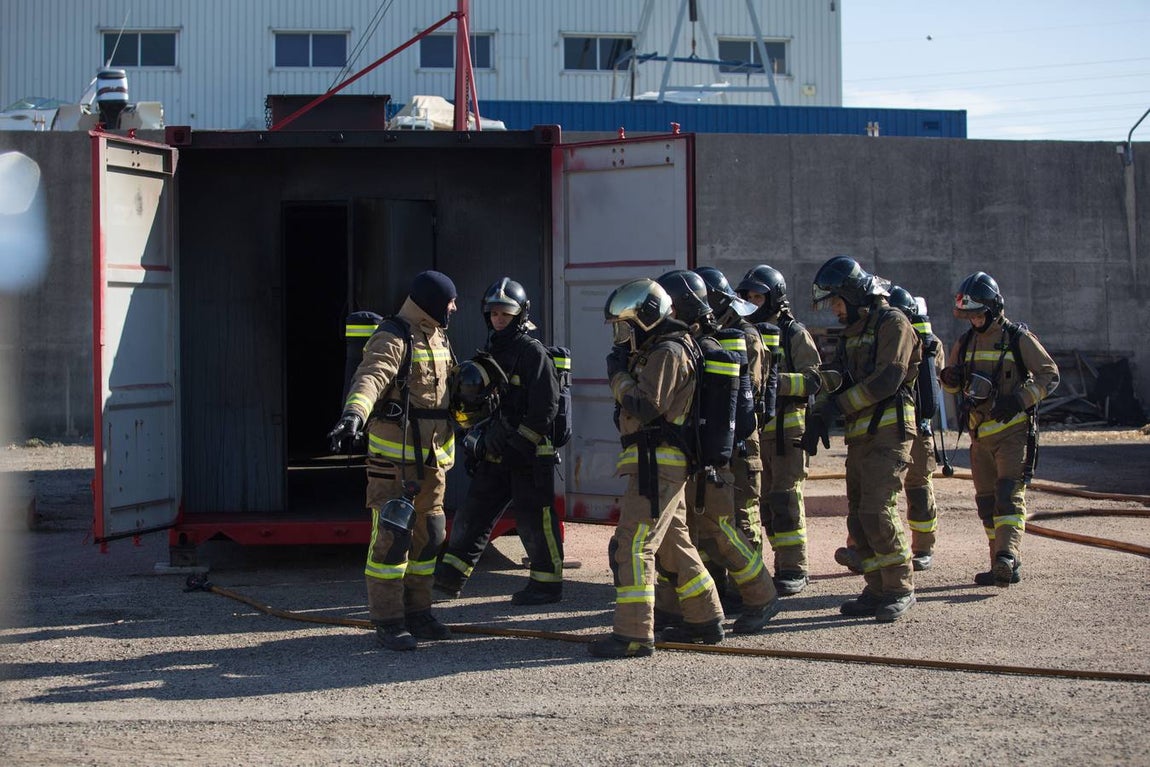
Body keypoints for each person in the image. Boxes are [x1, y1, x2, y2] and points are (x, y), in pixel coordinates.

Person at [588, 278, 725, 658]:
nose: (621, 337)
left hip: (657, 465)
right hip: (659, 463)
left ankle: (633, 634)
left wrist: (617, 375)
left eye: (625, 326)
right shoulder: (666, 348)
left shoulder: (668, 351)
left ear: (646, 319)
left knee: (633, 545)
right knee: (672, 542)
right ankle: (706, 617)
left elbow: (645, 405)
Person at [327, 270, 458, 651]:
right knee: (391, 540)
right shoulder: (393, 335)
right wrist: (354, 414)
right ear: (433, 301)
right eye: (450, 300)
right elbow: (372, 376)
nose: (454, 307)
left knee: (430, 536)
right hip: (393, 464)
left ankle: (419, 612)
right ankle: (388, 619)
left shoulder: (438, 335)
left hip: (433, 463)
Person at [651, 269, 781, 635]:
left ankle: (762, 596)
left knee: (720, 529)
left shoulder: (720, 345)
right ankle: (676, 609)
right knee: (683, 531)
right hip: (693, 454)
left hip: (715, 460)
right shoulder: (690, 342)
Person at [433, 277, 564, 606]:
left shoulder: (532, 353)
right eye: (493, 313)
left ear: (521, 315)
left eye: (506, 312)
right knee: (471, 516)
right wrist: (477, 443)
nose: (499, 318)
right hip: (496, 451)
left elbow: (546, 407)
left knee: (534, 521)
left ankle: (547, 585)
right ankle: (447, 582)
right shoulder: (492, 351)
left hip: (530, 454)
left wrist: (520, 445)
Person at [805, 256, 921, 623]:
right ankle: (877, 587)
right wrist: (819, 412)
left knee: (878, 510)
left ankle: (900, 587)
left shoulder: (894, 323)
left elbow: (889, 378)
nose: (835, 310)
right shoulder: (854, 330)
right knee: (858, 516)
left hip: (890, 433)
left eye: (838, 302)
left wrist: (838, 406)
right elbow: (837, 374)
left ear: (854, 295)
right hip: (861, 436)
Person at [940, 271, 1059, 587]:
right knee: (987, 503)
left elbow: (1050, 375)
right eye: (970, 315)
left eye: (979, 313)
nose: (974, 319)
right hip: (979, 437)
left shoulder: (1018, 339)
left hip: (1012, 432)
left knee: (1008, 495)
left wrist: (1019, 400)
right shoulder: (965, 343)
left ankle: (1007, 555)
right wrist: (949, 381)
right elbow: (954, 391)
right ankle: (1000, 563)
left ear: (993, 308)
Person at [834, 285, 945, 573]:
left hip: (910, 427)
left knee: (912, 491)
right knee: (870, 500)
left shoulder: (920, 340)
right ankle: (860, 550)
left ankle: (922, 548)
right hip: (887, 426)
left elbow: (916, 378)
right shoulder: (884, 334)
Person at [736, 264, 824, 595]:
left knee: (786, 501)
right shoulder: (747, 333)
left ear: (774, 298)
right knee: (764, 506)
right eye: (748, 296)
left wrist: (775, 382)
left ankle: (793, 568)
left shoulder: (794, 333)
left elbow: (815, 380)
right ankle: (766, 569)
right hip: (759, 434)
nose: (752, 302)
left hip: (789, 434)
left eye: (758, 296)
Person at [693, 266, 765, 605]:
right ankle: (717, 589)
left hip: (743, 442)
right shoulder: (710, 334)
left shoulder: (745, 335)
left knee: (742, 517)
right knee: (711, 518)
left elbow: (751, 392)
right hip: (718, 439)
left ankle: (749, 592)